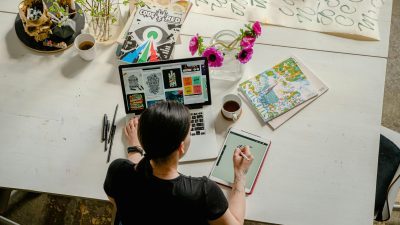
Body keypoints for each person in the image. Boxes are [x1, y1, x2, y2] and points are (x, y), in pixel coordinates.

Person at [104, 101, 253, 225]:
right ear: (181, 147)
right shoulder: (203, 192)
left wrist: (134, 149)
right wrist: (240, 175)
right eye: (189, 132)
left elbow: (115, 199)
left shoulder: (117, 170)